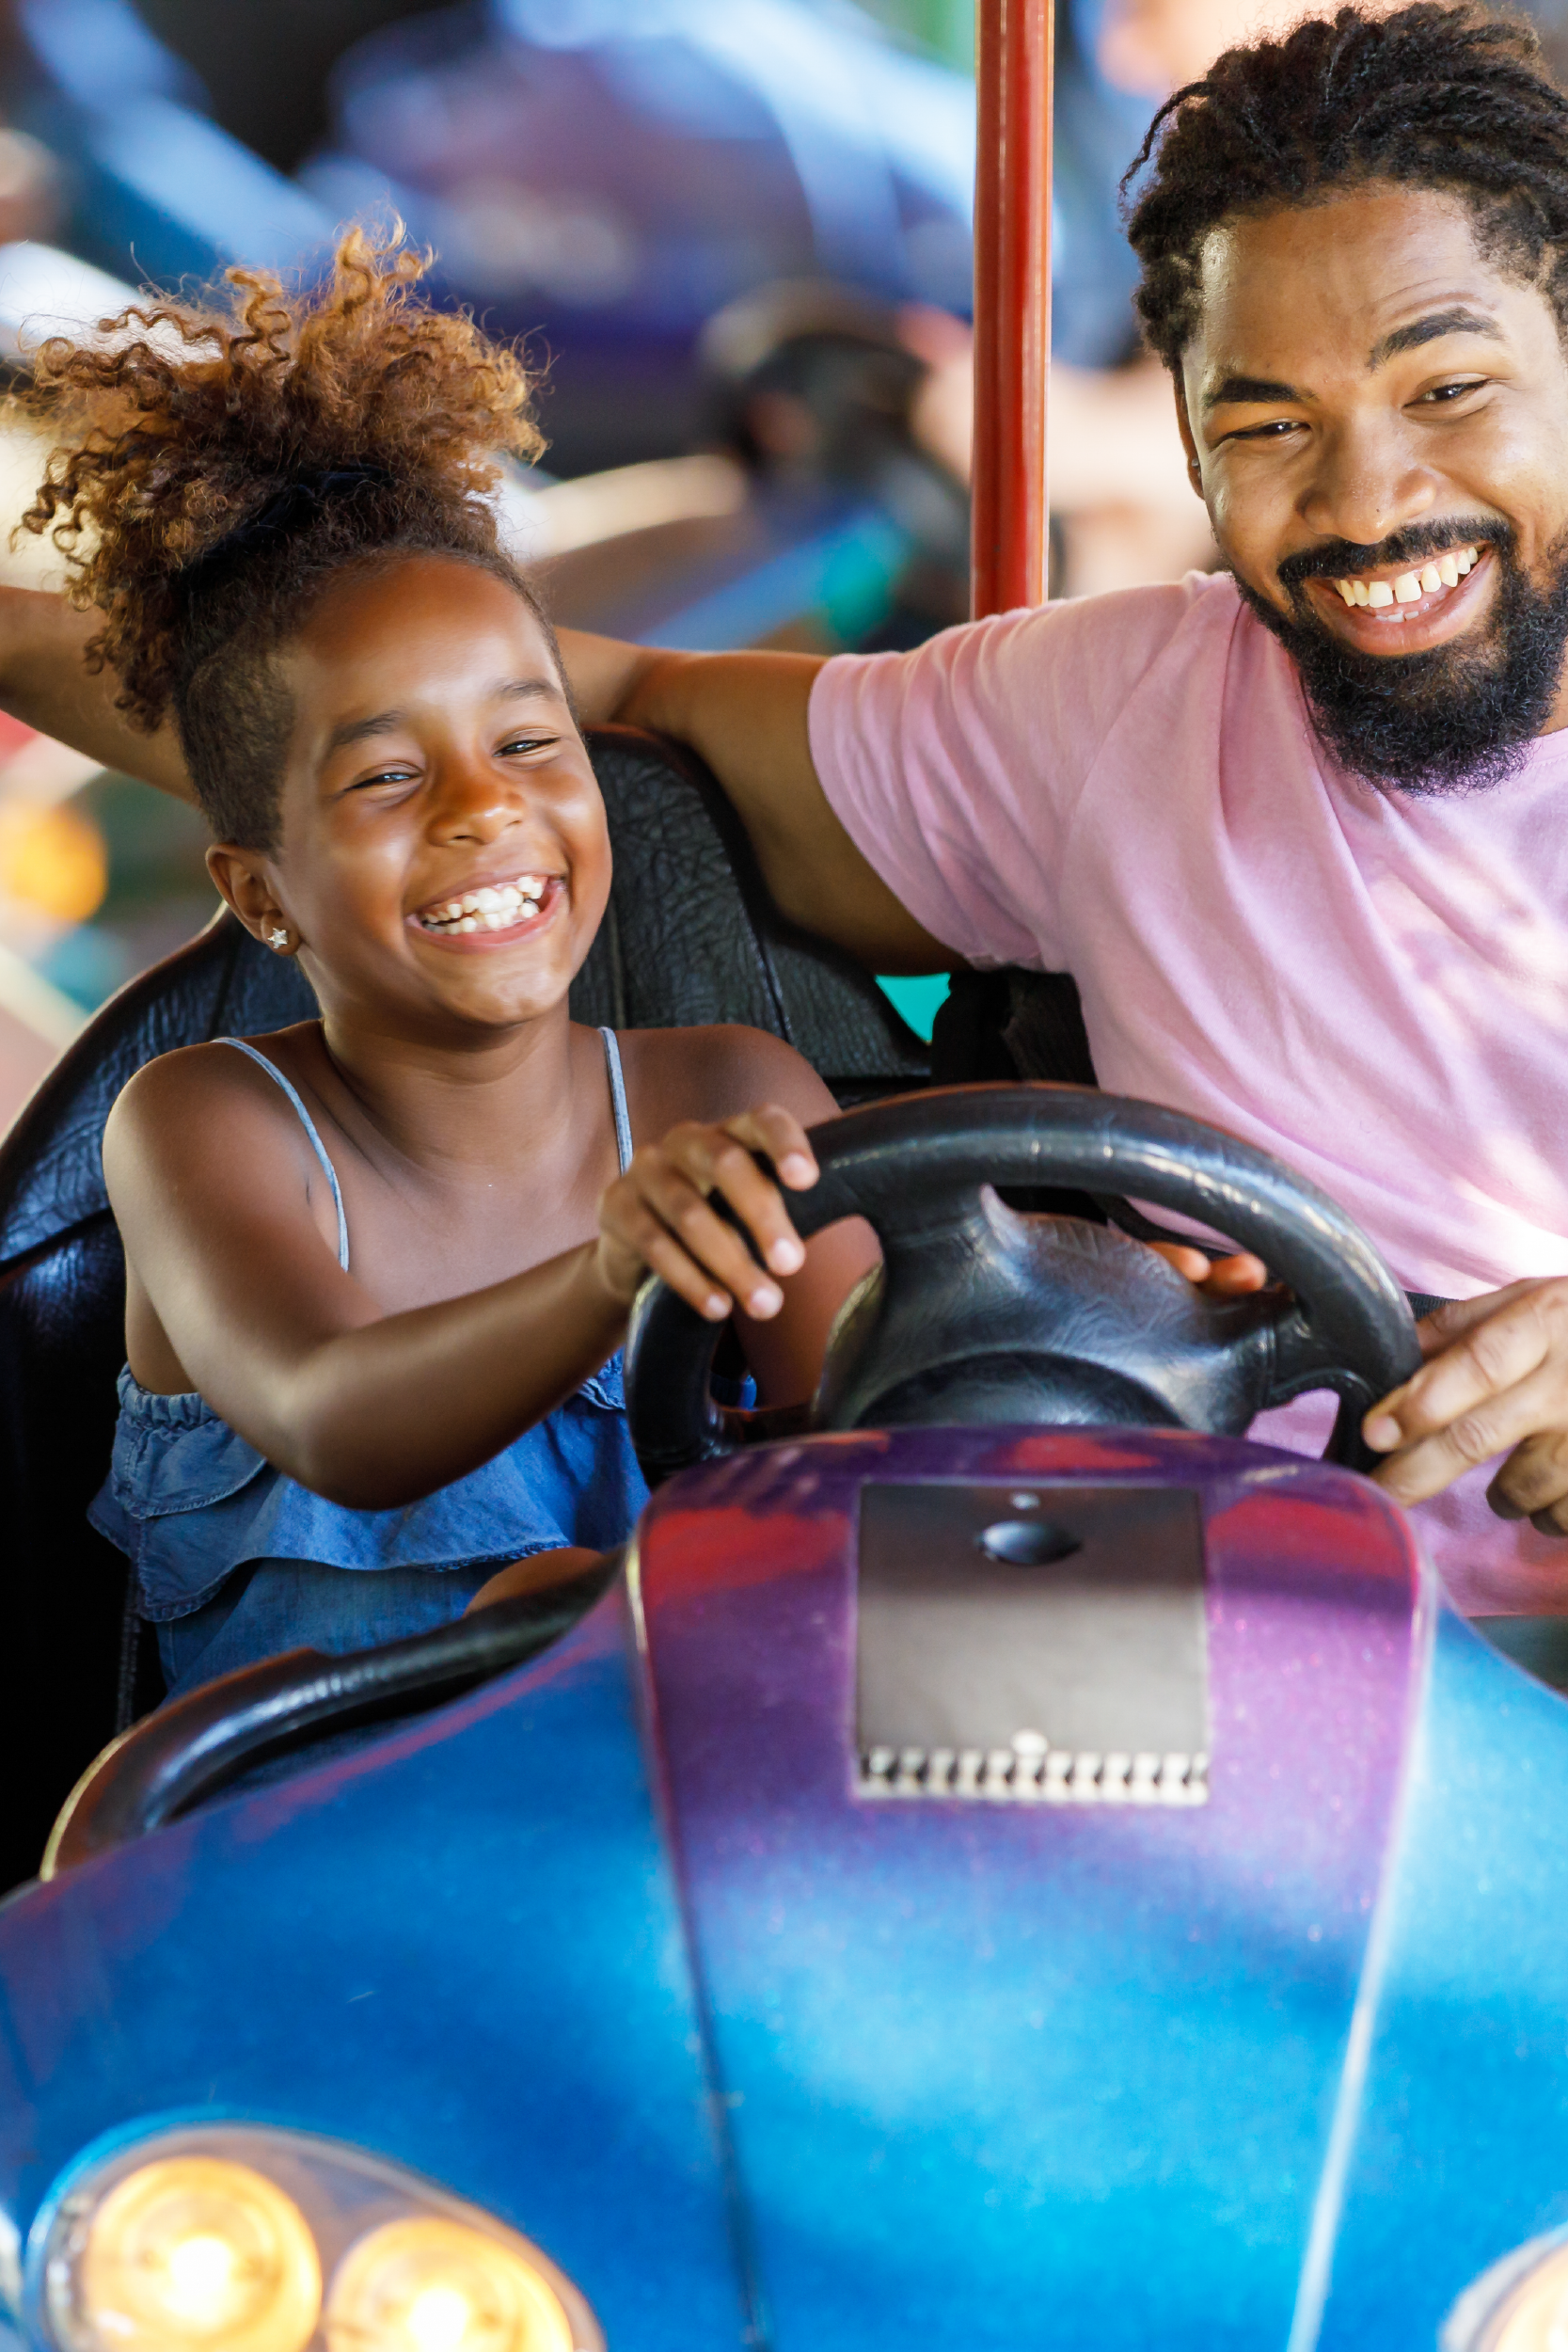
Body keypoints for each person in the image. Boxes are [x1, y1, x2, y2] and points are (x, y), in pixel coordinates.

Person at [4, 5, 1563, 1627]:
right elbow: (531, 710)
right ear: (1180, 438)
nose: (1366, 499)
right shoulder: (1119, 710)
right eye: (1265, 425)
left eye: (1447, 388)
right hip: (1160, 1646)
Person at [19, 230, 876, 1700]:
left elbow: (882, 1481)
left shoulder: (736, 1092)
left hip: (673, 1857)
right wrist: (614, 1267)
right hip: (302, 1863)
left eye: (530, 743)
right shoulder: (202, 1129)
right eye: (382, 779)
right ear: (259, 891)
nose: (486, 808)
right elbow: (331, 1414)